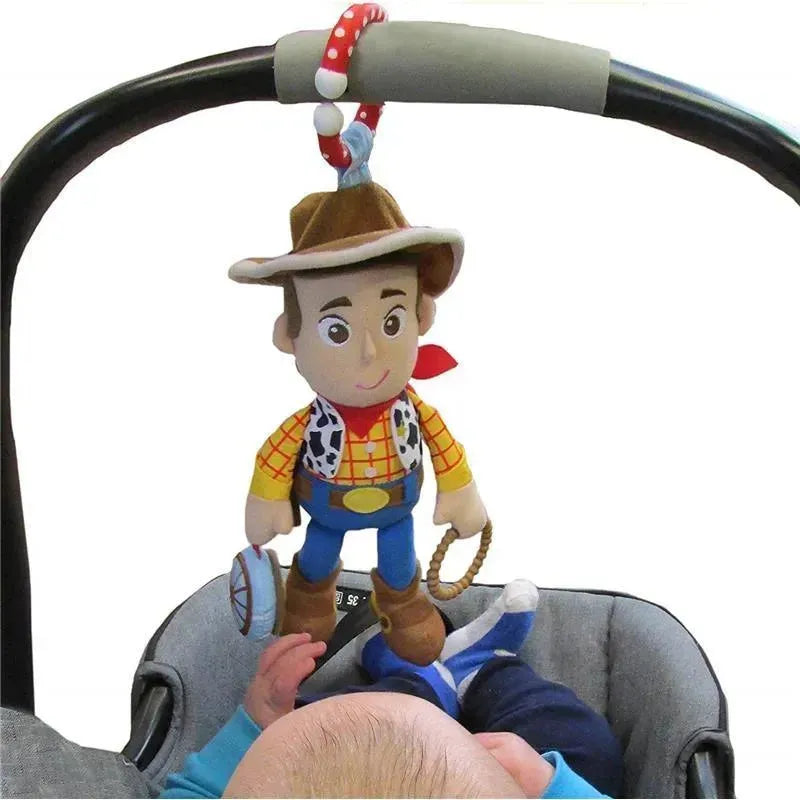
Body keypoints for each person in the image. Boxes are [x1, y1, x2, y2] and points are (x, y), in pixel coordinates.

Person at [161, 581, 624, 798]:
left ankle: (412, 671)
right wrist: (546, 785)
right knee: (584, 750)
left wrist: (256, 722)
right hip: (501, 776)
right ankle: (482, 669)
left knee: (332, 728)